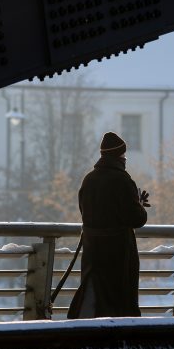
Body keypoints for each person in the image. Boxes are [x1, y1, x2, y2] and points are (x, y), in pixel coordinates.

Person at [67, 131, 150, 318]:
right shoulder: (123, 180)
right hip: (118, 254)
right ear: (119, 156)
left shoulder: (89, 179)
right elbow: (137, 219)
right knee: (120, 301)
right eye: (124, 155)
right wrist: (138, 205)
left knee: (95, 295)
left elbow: (86, 213)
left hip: (92, 252)